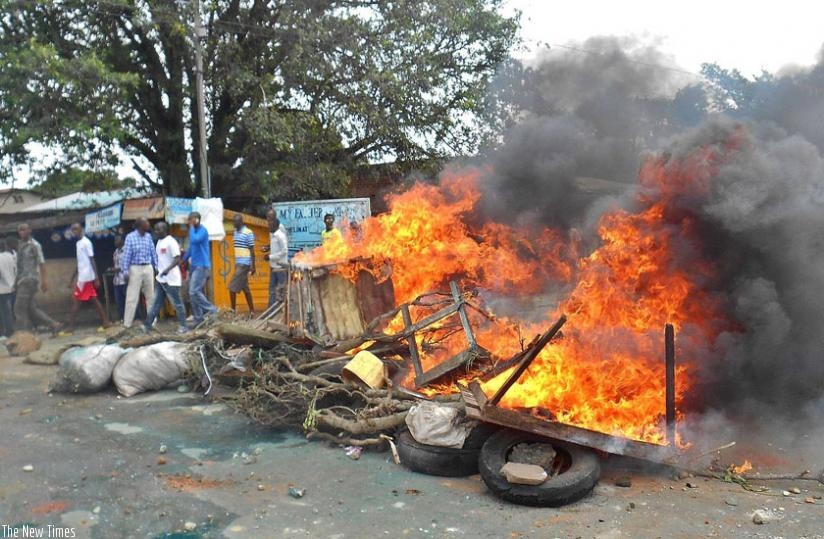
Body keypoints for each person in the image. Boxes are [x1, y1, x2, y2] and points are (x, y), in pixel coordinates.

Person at [13, 223, 61, 333]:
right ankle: (54, 324)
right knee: (31, 309)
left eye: (24, 229)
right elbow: (19, 265)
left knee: (19, 308)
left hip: (29, 280)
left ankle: (22, 335)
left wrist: (44, 281)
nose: (22, 232)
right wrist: (15, 282)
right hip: (21, 280)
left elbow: (42, 263)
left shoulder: (35, 245)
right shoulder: (20, 245)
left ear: (29, 230)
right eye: (20, 230)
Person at [143, 222, 188, 334]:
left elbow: (177, 259)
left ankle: (183, 327)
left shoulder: (171, 242)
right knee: (156, 303)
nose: (156, 232)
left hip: (171, 279)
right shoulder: (159, 242)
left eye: (158, 229)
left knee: (177, 304)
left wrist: (167, 270)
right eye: (155, 229)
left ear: (165, 230)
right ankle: (147, 325)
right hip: (161, 279)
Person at [66, 223, 111, 330]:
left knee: (78, 301)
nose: (74, 231)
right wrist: (72, 278)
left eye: (76, 229)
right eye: (73, 230)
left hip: (86, 277)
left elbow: (92, 260)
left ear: (81, 229)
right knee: (91, 300)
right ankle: (105, 321)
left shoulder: (86, 243)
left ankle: (71, 326)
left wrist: (96, 277)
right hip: (82, 277)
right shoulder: (78, 244)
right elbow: (80, 263)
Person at [120, 218, 157, 328]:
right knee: (132, 296)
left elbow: (153, 252)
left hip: (148, 267)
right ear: (141, 225)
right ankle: (127, 324)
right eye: (146, 223)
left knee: (151, 296)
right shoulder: (130, 237)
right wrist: (125, 272)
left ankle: (152, 322)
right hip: (135, 268)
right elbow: (126, 256)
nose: (149, 224)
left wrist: (156, 266)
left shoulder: (148, 236)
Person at [182, 211, 217, 326]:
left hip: (202, 265)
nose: (189, 222)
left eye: (191, 219)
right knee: (193, 293)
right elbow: (192, 248)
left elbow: (195, 240)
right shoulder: (194, 231)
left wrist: (191, 228)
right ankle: (198, 318)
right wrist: (183, 259)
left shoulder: (202, 230)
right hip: (194, 266)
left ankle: (211, 309)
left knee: (194, 291)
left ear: (197, 219)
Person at [228, 214, 255, 315]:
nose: (234, 224)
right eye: (233, 222)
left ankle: (232, 311)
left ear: (241, 222)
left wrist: (253, 265)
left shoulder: (248, 233)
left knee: (231, 288)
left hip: (244, 264)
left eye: (235, 222)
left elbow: (252, 250)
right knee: (245, 288)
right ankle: (252, 311)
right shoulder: (235, 232)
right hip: (238, 263)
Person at [263, 209, 288, 308]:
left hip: (280, 265)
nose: (268, 221)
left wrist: (270, 256)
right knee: (272, 289)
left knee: (281, 289)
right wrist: (268, 248)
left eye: (270, 218)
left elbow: (284, 249)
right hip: (273, 265)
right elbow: (274, 244)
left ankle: (282, 311)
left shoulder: (279, 229)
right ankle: (271, 310)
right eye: (267, 218)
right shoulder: (271, 230)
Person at [109, 234, 128, 322]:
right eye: (115, 240)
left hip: (125, 279)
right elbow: (116, 264)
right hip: (117, 281)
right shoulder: (115, 252)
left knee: (128, 301)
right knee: (119, 302)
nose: (115, 242)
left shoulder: (127, 251)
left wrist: (114, 269)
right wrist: (114, 269)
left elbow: (126, 265)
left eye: (117, 240)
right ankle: (121, 318)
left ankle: (130, 318)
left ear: (123, 241)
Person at [0, 239, 16, 337]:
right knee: (13, 311)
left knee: (5, 312)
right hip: (12, 287)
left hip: (1, 289)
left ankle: (8, 333)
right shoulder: (11, 256)